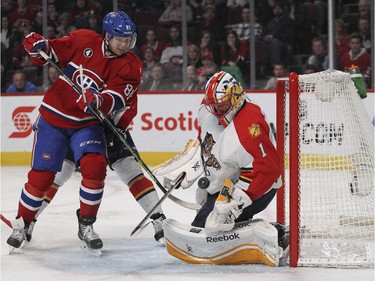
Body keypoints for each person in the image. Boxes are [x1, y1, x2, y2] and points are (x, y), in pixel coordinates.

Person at [6, 11, 142, 255]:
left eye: (128, 39)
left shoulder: (131, 65)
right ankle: (22, 224)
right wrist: (37, 46)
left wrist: (98, 100)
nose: (124, 44)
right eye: (119, 38)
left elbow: (118, 98)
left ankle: (86, 226)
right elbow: (50, 52)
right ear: (107, 35)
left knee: (95, 167)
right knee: (42, 177)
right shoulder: (84, 39)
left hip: (87, 123)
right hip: (53, 119)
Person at [154, 71, 286, 265]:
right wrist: (192, 169)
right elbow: (206, 145)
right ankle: (272, 231)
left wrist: (235, 203)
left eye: (222, 103)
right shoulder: (207, 111)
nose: (216, 108)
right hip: (228, 181)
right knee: (206, 224)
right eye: (213, 103)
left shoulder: (250, 124)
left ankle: (273, 235)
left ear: (235, 97)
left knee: (209, 228)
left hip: (258, 187)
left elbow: (269, 170)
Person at [25, 128, 167, 245]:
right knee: (61, 172)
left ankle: (158, 218)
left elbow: (127, 105)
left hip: (110, 126)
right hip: (78, 126)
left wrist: (118, 120)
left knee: (130, 169)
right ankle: (28, 220)